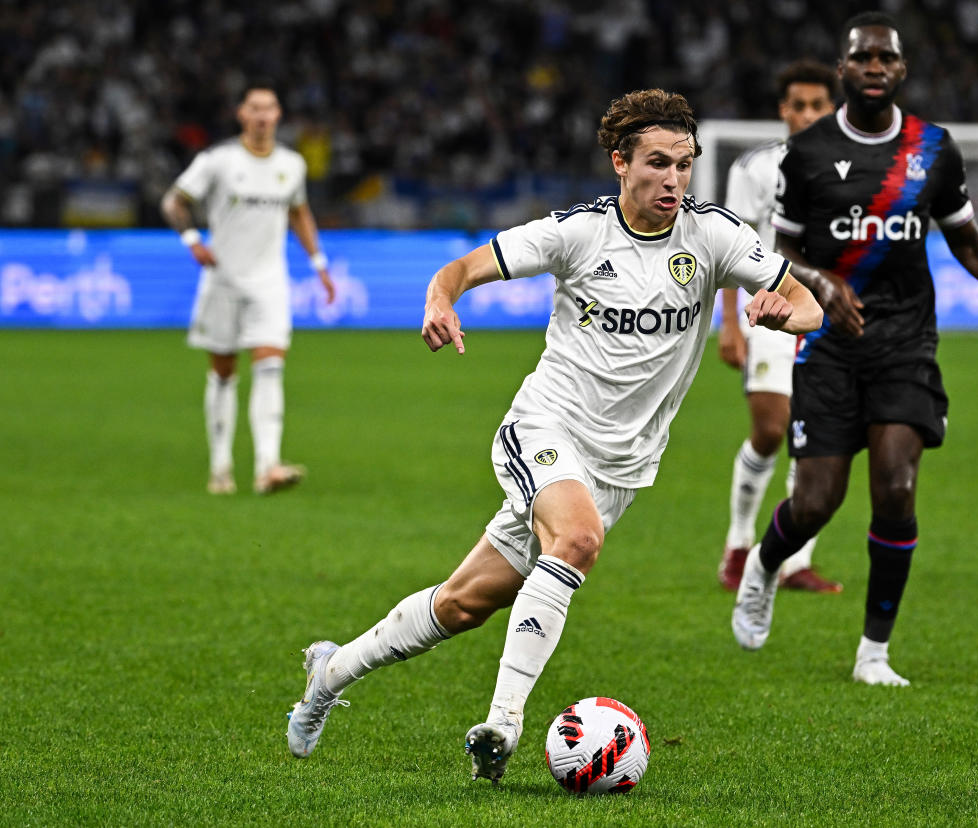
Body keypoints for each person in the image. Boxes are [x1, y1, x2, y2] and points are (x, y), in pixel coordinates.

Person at [285, 89, 825, 782]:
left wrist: (789, 312)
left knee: (462, 603)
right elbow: (463, 268)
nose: (674, 180)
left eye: (685, 165)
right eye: (658, 164)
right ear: (620, 163)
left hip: (622, 467)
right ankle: (503, 724)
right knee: (576, 539)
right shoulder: (578, 232)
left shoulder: (713, 235)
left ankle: (329, 672)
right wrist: (440, 301)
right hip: (544, 425)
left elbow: (805, 299)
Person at [731, 12, 978, 686]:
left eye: (887, 58)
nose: (876, 67)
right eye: (863, 58)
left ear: (902, 69)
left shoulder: (934, 150)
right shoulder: (808, 154)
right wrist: (822, 285)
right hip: (826, 344)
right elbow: (783, 248)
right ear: (844, 69)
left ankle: (874, 654)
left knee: (897, 485)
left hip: (906, 343)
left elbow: (965, 239)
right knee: (817, 501)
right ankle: (764, 565)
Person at [161, 80, 335, 496]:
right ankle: (221, 468)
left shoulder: (291, 165)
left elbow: (299, 213)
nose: (261, 116)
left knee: (271, 365)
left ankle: (267, 467)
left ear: (278, 116)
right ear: (242, 114)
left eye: (269, 108)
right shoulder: (218, 160)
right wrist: (192, 241)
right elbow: (174, 201)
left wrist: (319, 264)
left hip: (269, 281)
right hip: (222, 280)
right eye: (254, 108)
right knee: (223, 373)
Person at [717, 59, 842, 594]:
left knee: (815, 436)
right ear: (783, 110)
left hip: (833, 315)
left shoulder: (857, 167)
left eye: (819, 104)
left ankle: (794, 562)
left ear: (833, 107)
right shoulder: (754, 168)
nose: (809, 114)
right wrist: (729, 324)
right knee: (771, 430)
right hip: (770, 310)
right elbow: (728, 248)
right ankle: (739, 543)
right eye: (800, 105)